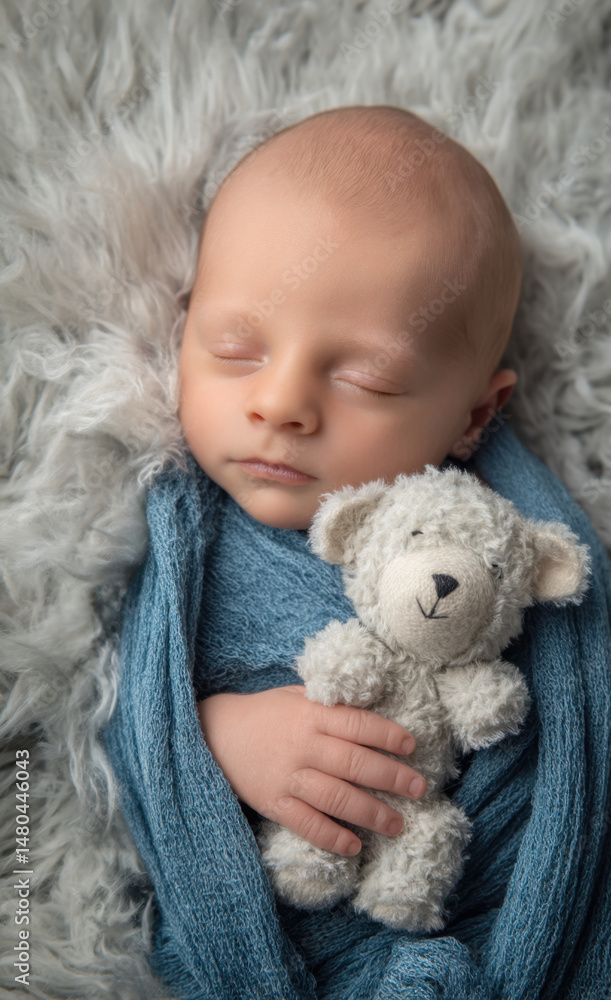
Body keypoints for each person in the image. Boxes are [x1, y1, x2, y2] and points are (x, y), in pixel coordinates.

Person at [177, 104, 523, 861]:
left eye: (366, 378)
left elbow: (565, 748)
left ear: (475, 414)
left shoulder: (498, 543)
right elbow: (81, 714)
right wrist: (215, 732)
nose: (279, 404)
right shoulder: (159, 530)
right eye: (236, 350)